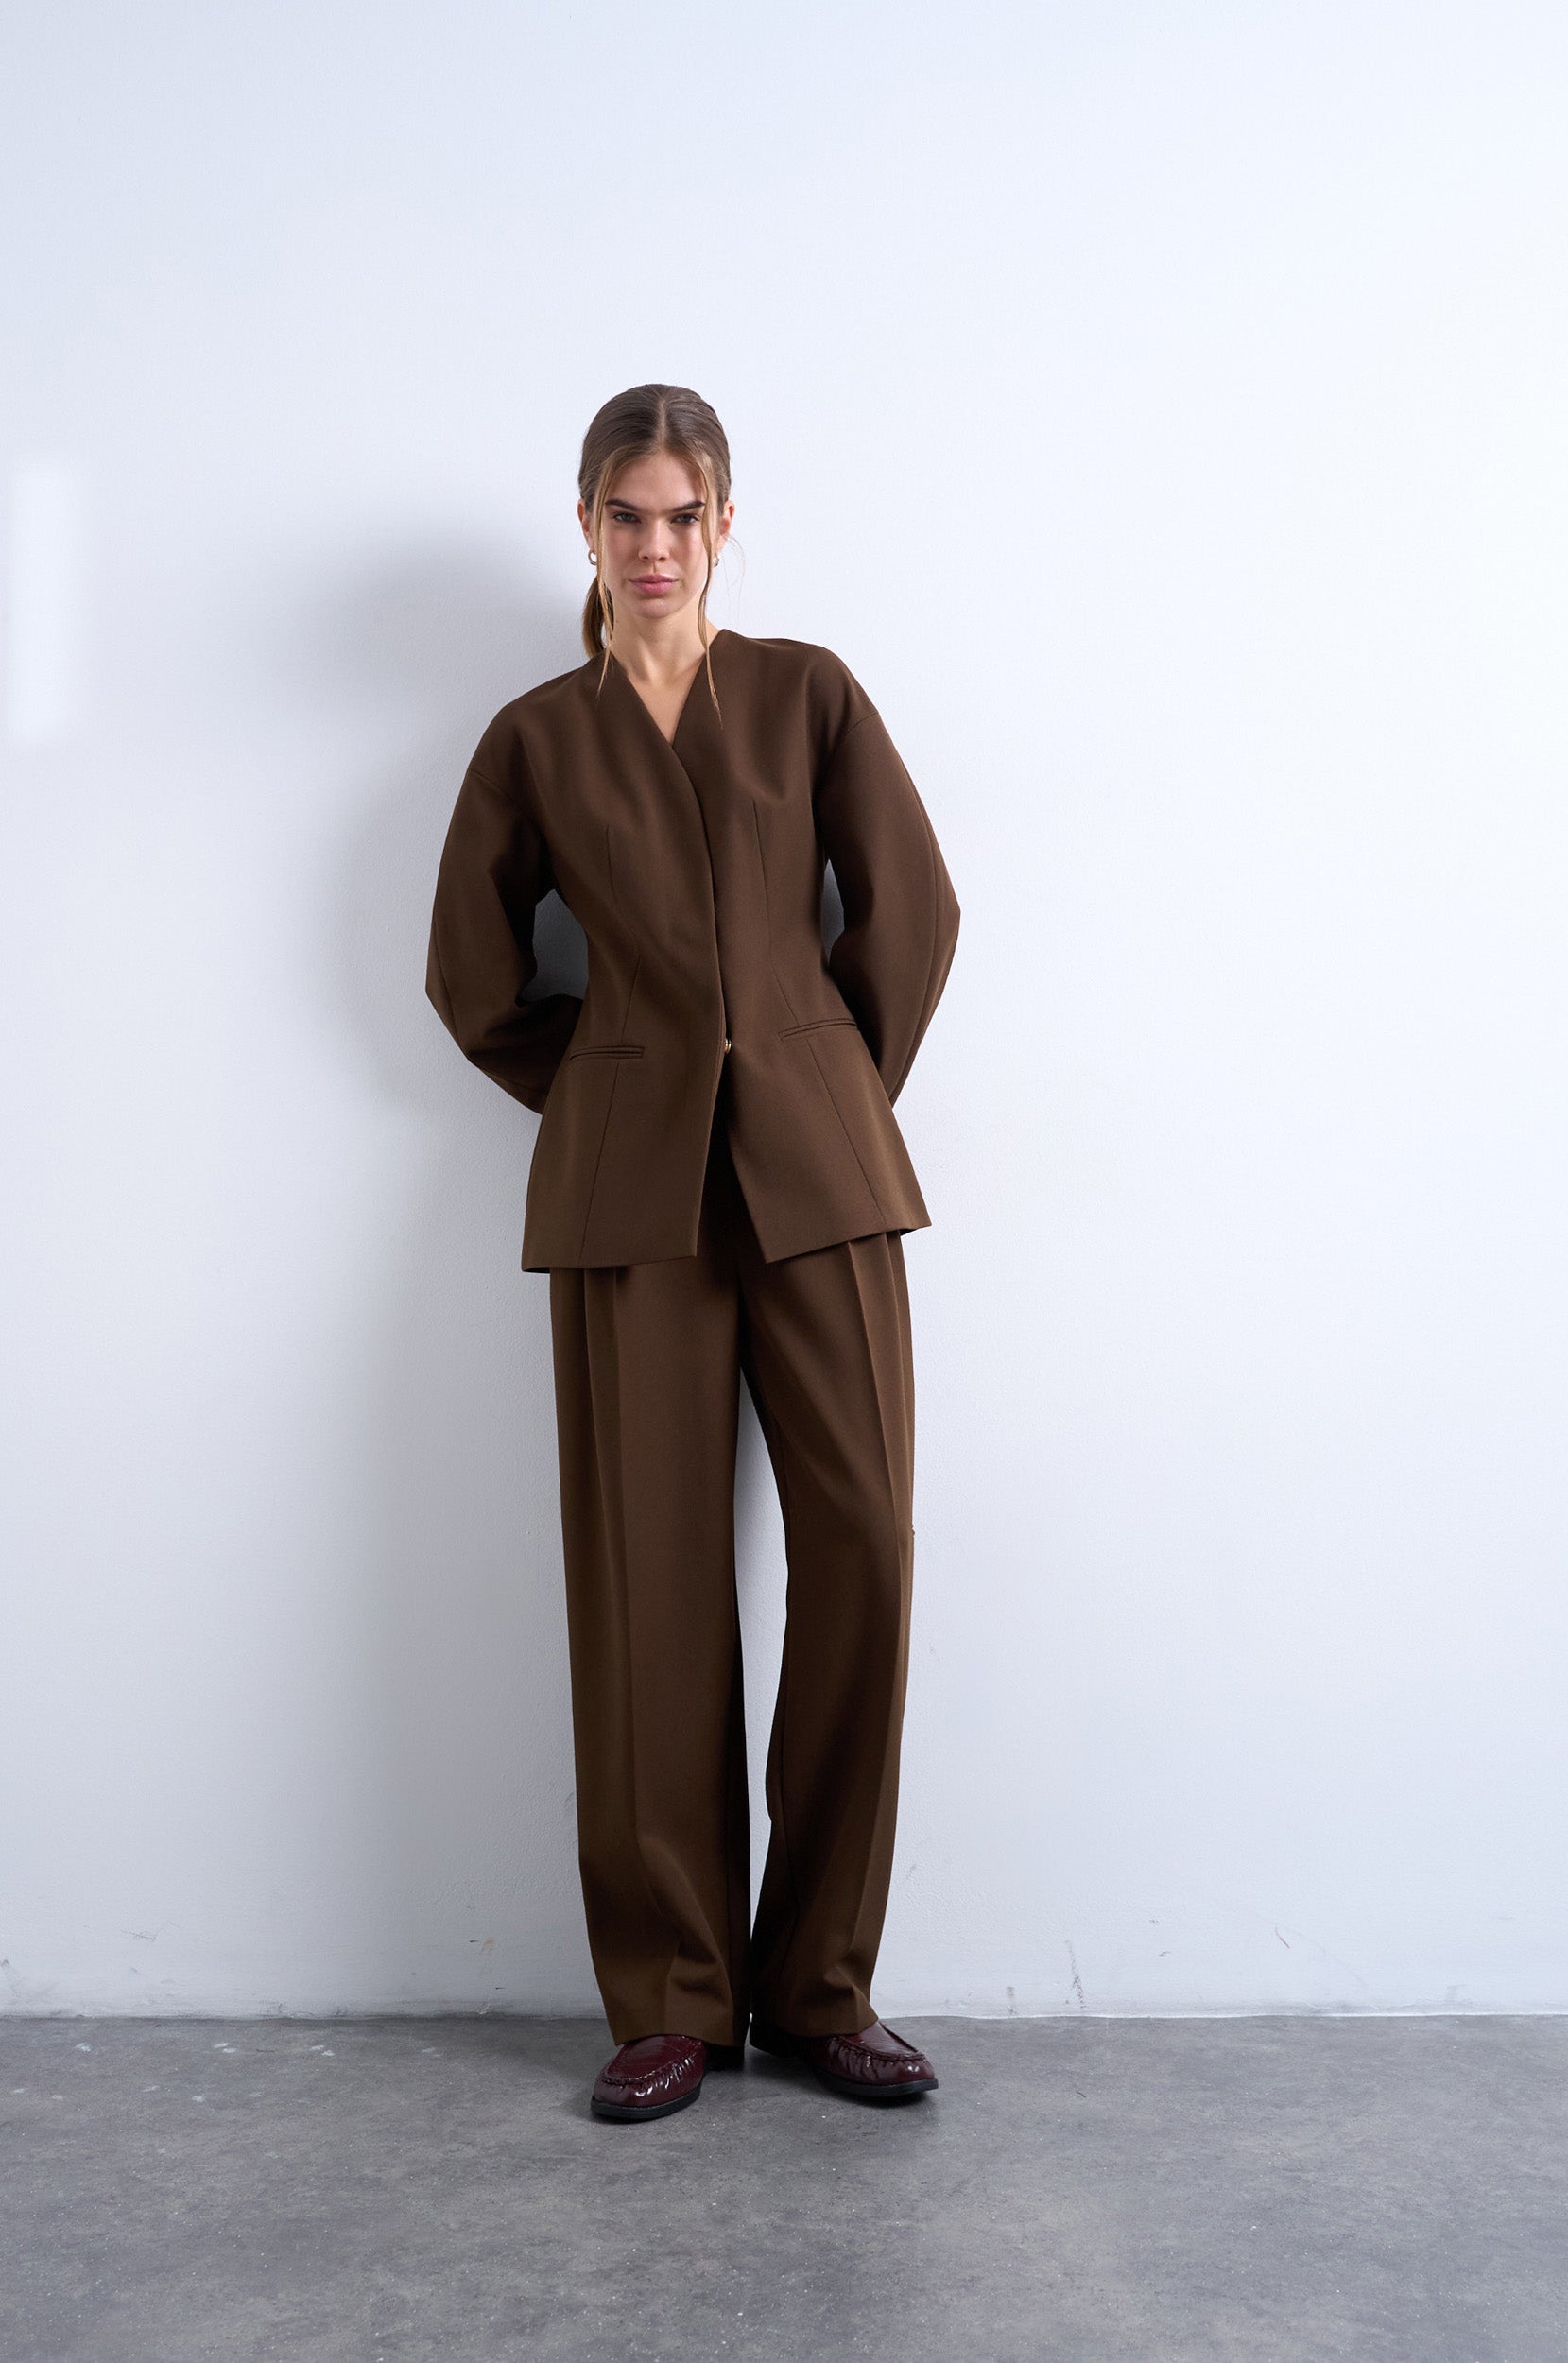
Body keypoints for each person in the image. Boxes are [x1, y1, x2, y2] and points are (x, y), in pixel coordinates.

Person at [425, 384, 961, 2123]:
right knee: (647, 1591)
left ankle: (818, 1989)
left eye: (682, 516)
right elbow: (473, 977)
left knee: (866, 1548)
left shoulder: (807, 694)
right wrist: (612, 1093)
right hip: (629, 1204)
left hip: (820, 1185)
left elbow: (914, 911)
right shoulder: (536, 738)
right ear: (585, 524)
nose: (654, 547)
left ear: (725, 523)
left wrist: (821, 1084)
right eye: (625, 516)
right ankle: (670, 1998)